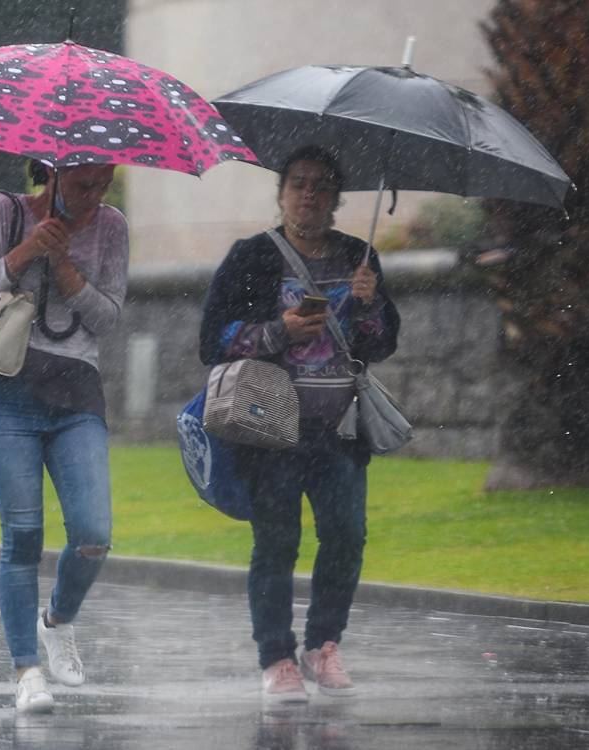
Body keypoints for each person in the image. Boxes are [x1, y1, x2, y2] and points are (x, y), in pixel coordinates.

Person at [199, 145, 400, 703]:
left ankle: (324, 644)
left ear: (336, 199)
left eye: (320, 186)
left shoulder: (361, 257)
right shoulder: (252, 257)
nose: (308, 194)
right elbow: (211, 339)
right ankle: (277, 657)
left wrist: (369, 303)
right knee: (276, 543)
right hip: (273, 431)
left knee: (345, 536)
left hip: (340, 430)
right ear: (281, 192)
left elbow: (381, 342)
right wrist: (278, 331)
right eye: (298, 184)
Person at [0, 160, 129, 713]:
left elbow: (108, 319)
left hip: (77, 394)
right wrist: (28, 251)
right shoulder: (3, 211)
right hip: (8, 392)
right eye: (82, 184)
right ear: (50, 172)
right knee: (23, 537)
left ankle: (58, 619)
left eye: (104, 183)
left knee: (94, 532)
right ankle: (27, 671)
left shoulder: (112, 227)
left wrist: (66, 268)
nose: (94, 195)